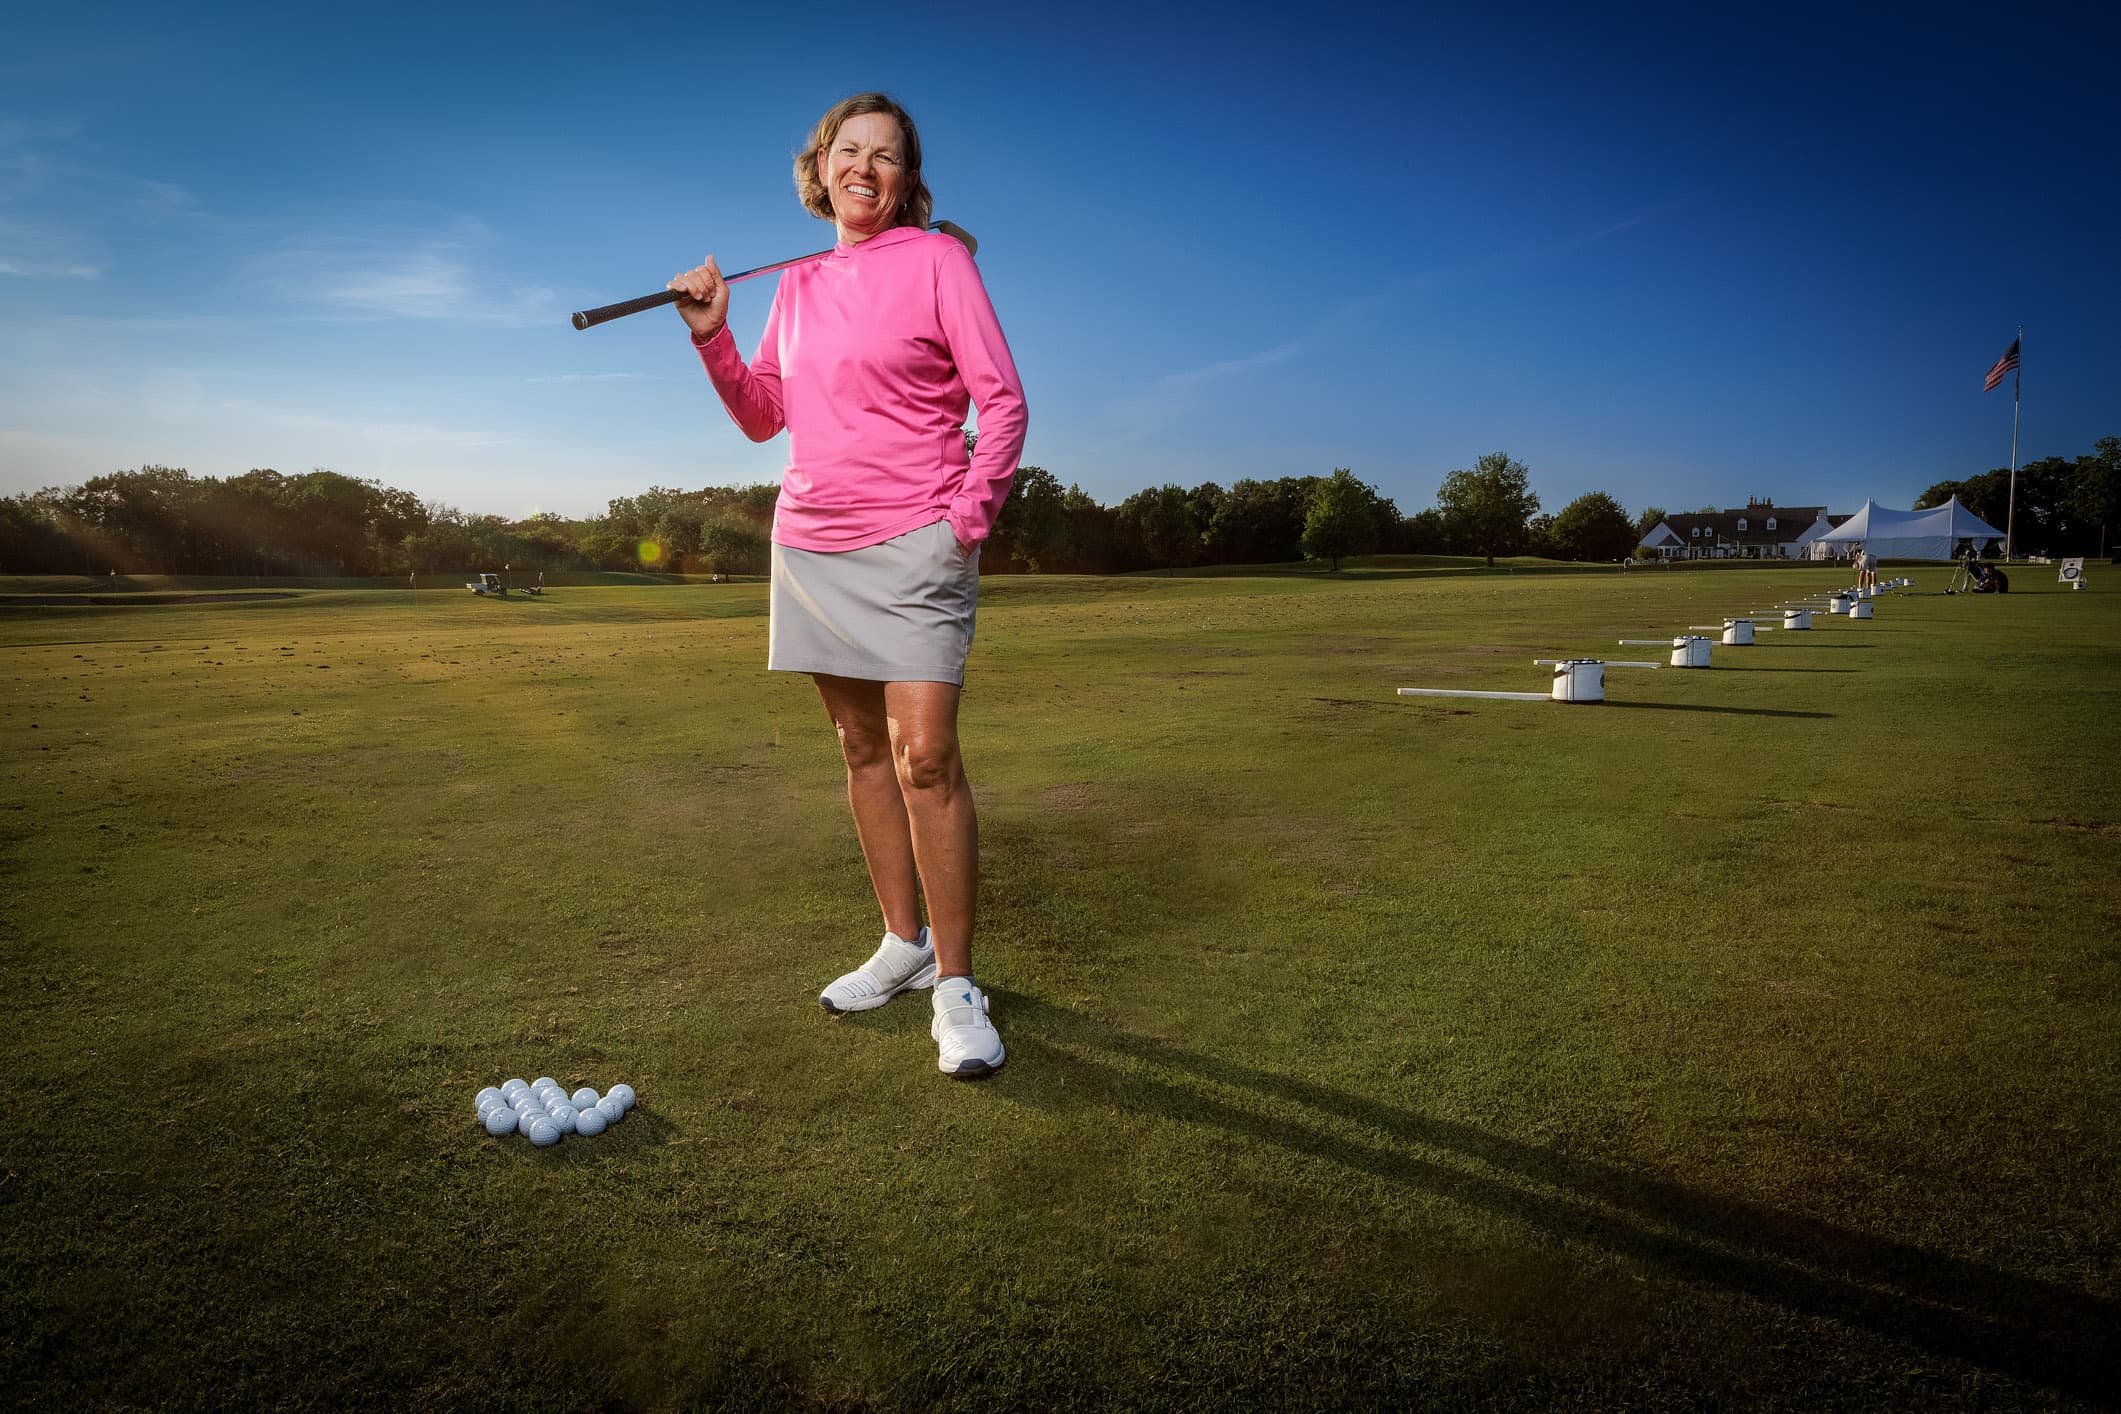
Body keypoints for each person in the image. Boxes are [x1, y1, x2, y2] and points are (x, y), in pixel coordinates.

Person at [667, 93, 1029, 1079]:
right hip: (814, 544)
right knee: (862, 748)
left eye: (889, 156)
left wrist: (967, 522)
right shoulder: (794, 283)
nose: (867, 166)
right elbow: (764, 415)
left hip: (919, 538)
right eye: (850, 149)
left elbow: (1002, 401)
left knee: (927, 760)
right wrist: (712, 338)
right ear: (819, 166)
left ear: (906, 181)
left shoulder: (940, 262)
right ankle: (901, 943)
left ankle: (955, 986)